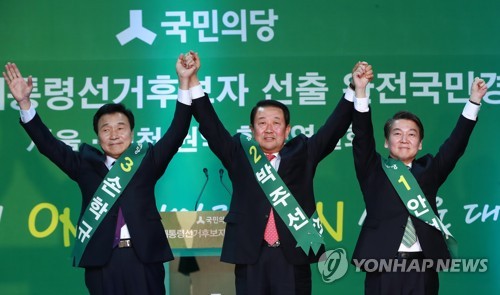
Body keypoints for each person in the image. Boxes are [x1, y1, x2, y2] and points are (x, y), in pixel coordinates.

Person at [2, 55, 196, 295]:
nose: (114, 134)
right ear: (98, 136)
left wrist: (185, 83)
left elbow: (177, 131)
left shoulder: (147, 160)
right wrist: (25, 103)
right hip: (102, 261)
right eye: (106, 129)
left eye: (120, 128)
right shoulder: (84, 164)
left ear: (132, 133)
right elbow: (48, 144)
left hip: (143, 259)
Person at [181, 51, 372, 295]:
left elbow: (334, 128)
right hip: (252, 255)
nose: (269, 129)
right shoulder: (239, 154)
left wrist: (354, 88)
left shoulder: (304, 153)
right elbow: (210, 125)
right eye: (262, 123)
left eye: (276, 123)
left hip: (293, 255)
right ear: (252, 129)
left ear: (287, 129)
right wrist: (193, 79)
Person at [350, 63, 488, 295]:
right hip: (381, 265)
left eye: (411, 134)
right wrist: (361, 91)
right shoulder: (372, 169)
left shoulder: (429, 170)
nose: (404, 139)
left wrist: (474, 102)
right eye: (397, 134)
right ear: (386, 142)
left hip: (423, 266)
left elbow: (455, 145)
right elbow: (362, 135)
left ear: (420, 143)